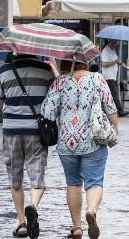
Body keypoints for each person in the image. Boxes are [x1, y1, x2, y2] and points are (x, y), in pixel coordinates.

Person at [41, 61, 119, 239]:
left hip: (67, 142)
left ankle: (76, 228)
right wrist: (115, 131)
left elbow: (48, 112)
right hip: (93, 140)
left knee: (73, 183)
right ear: (87, 61)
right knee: (95, 182)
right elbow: (111, 109)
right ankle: (91, 211)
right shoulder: (98, 79)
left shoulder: (59, 82)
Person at [0, 53, 54, 239]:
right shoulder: (46, 70)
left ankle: (21, 223)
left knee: (15, 178)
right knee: (37, 175)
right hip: (36, 130)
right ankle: (34, 207)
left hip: (11, 130)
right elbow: (52, 98)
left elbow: (1, 97)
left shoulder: (4, 70)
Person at [100, 39, 129, 117]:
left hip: (112, 77)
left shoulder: (112, 50)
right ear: (110, 42)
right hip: (108, 77)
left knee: (109, 95)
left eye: (116, 43)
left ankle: (107, 111)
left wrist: (128, 68)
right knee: (114, 94)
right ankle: (120, 111)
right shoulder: (105, 51)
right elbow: (103, 64)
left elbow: (119, 61)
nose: (115, 45)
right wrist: (114, 62)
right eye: (114, 43)